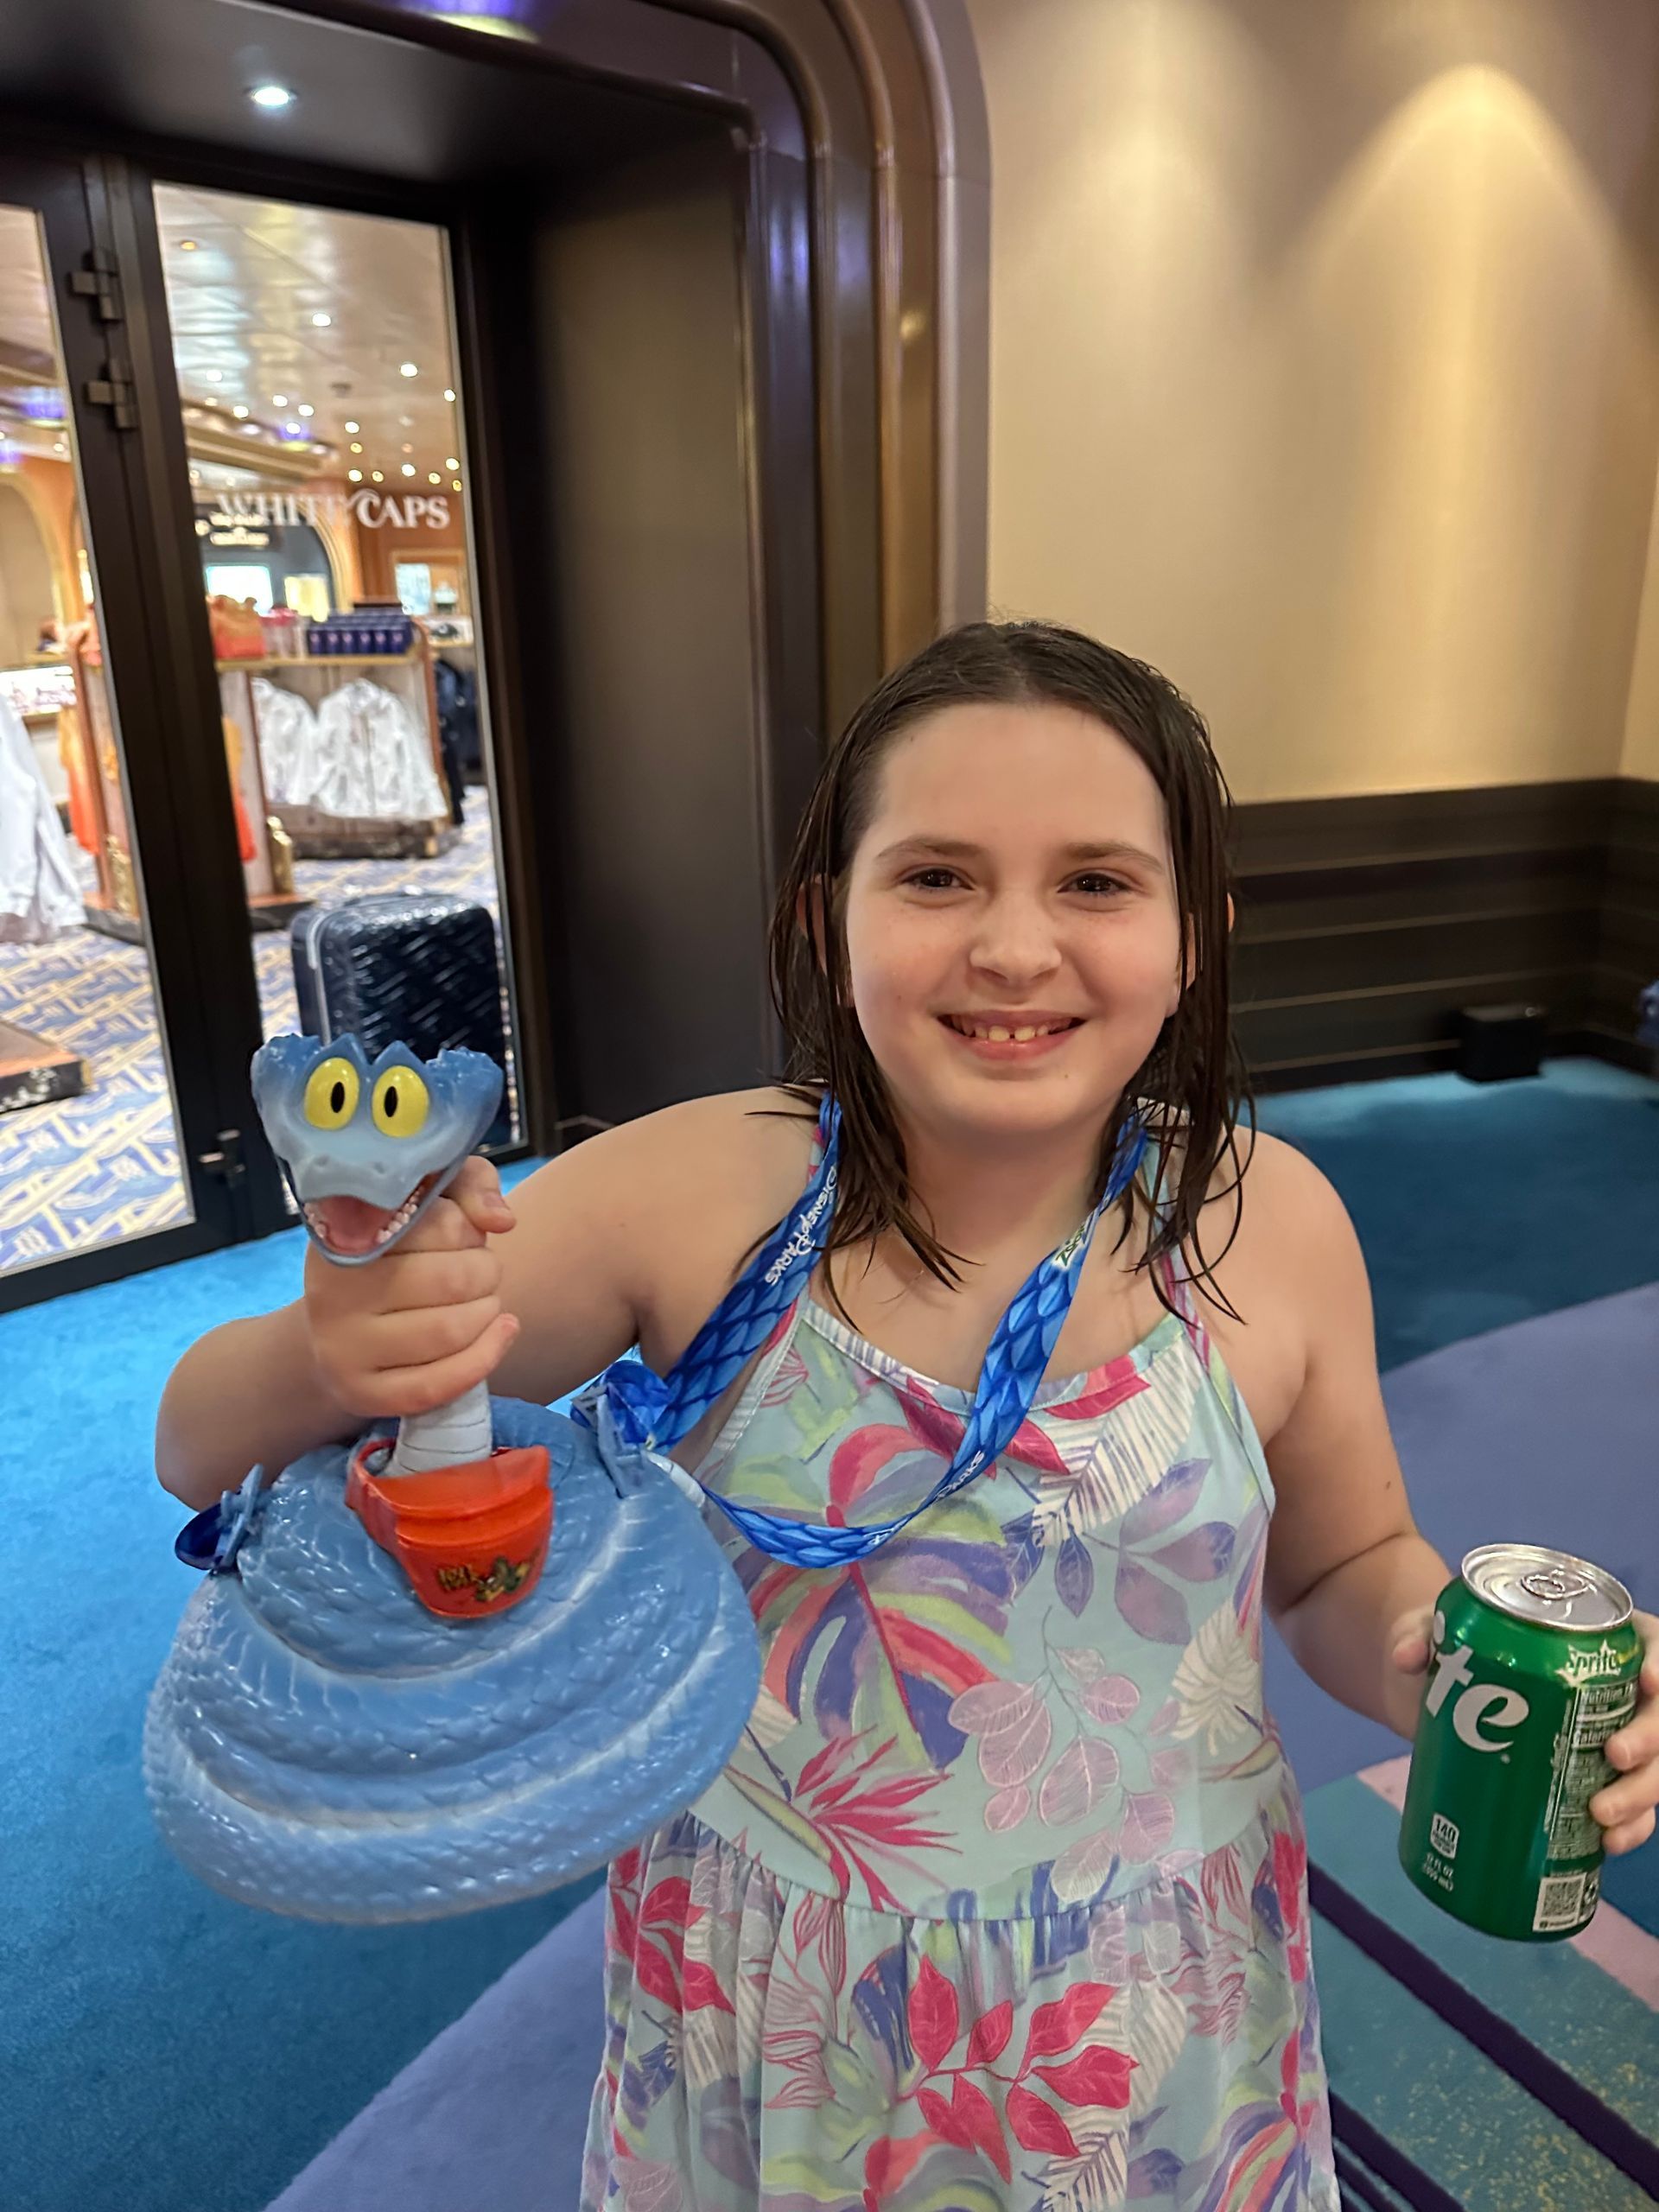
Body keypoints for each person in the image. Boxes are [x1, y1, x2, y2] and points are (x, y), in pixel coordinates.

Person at [157, 621, 1659, 2210]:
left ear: (1193, 937)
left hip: (1160, 1993)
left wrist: (1439, 1668)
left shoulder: (1270, 1223)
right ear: (831, 918)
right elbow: (199, 1446)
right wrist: (340, 1348)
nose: (1016, 949)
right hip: (783, 2000)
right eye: (937, 876)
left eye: (1097, 882)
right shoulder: (694, 1197)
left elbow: (1345, 1560)